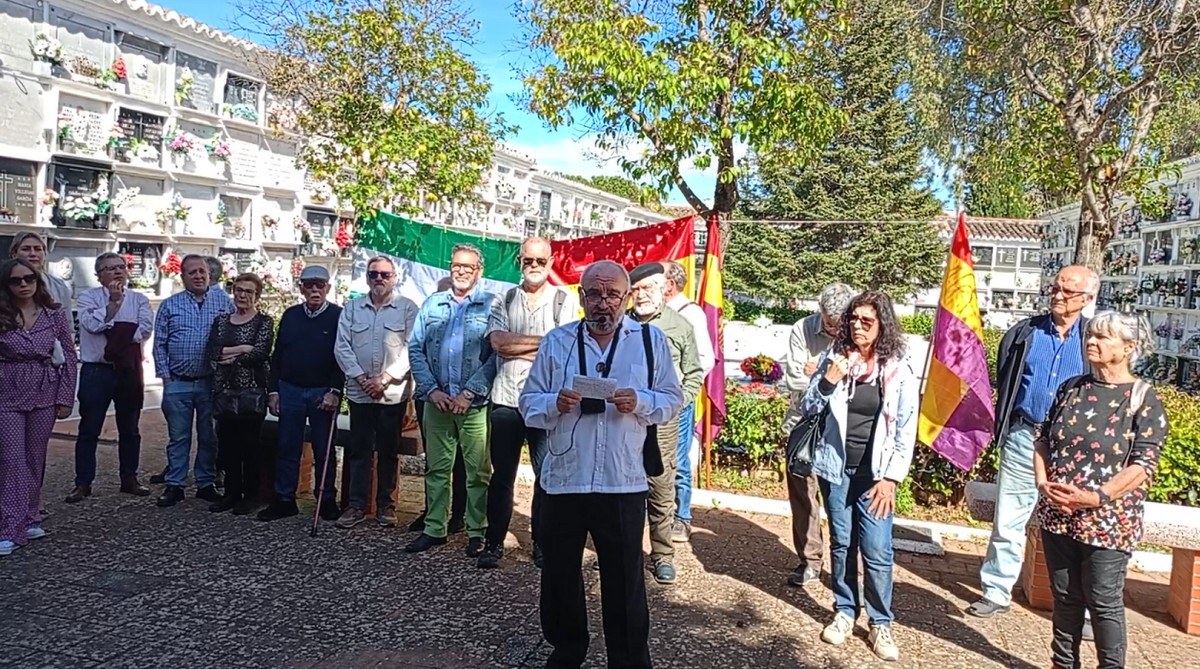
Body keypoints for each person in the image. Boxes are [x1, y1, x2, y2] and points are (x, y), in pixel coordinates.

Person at [520, 260, 684, 669]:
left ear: (626, 298)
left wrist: (641, 402)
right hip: (565, 479)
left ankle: (628, 659)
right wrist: (553, 403)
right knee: (559, 574)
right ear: (581, 297)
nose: (603, 303)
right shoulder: (557, 342)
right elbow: (528, 403)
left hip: (621, 481)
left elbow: (673, 399)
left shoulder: (650, 341)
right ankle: (566, 649)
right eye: (594, 293)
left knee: (625, 579)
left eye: (612, 294)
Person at [1034, 311, 1167, 669]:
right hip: (1059, 516)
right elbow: (1043, 441)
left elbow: (1142, 465)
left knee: (1103, 600)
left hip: (1108, 521)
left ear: (1128, 348)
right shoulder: (1072, 388)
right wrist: (1044, 483)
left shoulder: (1143, 399)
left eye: (1103, 337)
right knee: (1064, 597)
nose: (1091, 342)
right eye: (1090, 335)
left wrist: (1096, 498)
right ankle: (1062, 663)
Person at [968, 265, 1099, 620]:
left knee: (1076, 525)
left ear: (1087, 299)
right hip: (1024, 435)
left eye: (1067, 291)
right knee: (1008, 518)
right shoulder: (1024, 333)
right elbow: (1007, 381)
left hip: (1074, 448)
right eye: (1054, 288)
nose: (1057, 295)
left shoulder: (1095, 339)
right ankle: (996, 591)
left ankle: (1078, 607)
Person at [803, 290, 916, 662]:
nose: (858, 327)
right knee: (841, 542)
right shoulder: (834, 359)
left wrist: (891, 479)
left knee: (878, 550)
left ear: (883, 324)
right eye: (854, 320)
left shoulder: (898, 367)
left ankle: (880, 621)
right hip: (836, 469)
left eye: (867, 321)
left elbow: (905, 429)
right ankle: (844, 611)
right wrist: (827, 382)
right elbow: (808, 407)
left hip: (876, 475)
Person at [479, 237, 580, 569]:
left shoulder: (564, 299)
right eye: (528, 261)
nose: (534, 266)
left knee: (545, 477)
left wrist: (516, 344)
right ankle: (494, 543)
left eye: (540, 260)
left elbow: (565, 349)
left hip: (546, 403)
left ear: (551, 262)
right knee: (501, 476)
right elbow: (497, 343)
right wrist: (544, 344)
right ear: (519, 262)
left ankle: (542, 543)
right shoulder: (504, 298)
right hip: (507, 400)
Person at [407, 243, 497, 555]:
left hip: (473, 406)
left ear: (479, 271)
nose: (460, 271)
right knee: (436, 470)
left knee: (477, 472)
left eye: (467, 267)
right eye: (456, 265)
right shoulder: (432, 304)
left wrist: (470, 392)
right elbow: (415, 348)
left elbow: (496, 355)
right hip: (437, 402)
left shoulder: (490, 306)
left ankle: (477, 531)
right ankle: (435, 528)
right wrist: (431, 389)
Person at [627, 262, 702, 585]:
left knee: (660, 485)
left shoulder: (679, 325)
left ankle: (662, 555)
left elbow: (695, 373)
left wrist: (677, 403)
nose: (641, 295)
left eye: (648, 288)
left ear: (663, 289)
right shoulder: (620, 323)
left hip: (663, 421)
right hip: (626, 419)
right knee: (625, 487)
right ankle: (624, 552)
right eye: (636, 289)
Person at [333, 256, 418, 529]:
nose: (379, 279)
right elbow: (342, 347)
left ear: (394, 277)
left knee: (388, 451)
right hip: (360, 393)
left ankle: (386, 505)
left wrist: (384, 379)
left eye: (384, 274)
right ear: (367, 277)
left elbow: (412, 348)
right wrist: (361, 378)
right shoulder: (353, 308)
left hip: (391, 395)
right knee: (359, 450)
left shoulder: (406, 309)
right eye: (373, 274)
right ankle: (356, 505)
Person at [780, 282, 856, 587]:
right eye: (829, 323)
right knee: (804, 498)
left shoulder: (860, 331)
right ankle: (809, 560)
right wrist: (826, 376)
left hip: (842, 431)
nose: (835, 330)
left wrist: (819, 372)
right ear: (819, 312)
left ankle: (845, 567)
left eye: (841, 325)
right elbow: (794, 379)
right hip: (804, 425)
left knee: (841, 500)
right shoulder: (802, 329)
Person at [0, 259, 77, 557]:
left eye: (28, 278)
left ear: (37, 280)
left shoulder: (53, 313)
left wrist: (65, 396)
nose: (23, 284)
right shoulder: (3, 313)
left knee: (34, 458)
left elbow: (69, 355)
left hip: (45, 389)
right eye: (16, 280)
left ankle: (30, 515)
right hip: (7, 391)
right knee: (12, 460)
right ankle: (10, 527)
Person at [66, 252, 153, 503]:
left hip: (127, 369)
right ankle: (83, 482)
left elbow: (144, 330)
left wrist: (113, 328)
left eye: (121, 267)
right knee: (89, 428)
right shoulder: (87, 298)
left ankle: (129, 478)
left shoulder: (139, 299)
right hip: (97, 370)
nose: (117, 272)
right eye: (110, 268)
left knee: (130, 428)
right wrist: (113, 306)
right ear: (99, 274)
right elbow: (91, 325)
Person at [260, 265, 345, 522]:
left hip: (322, 391)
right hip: (291, 389)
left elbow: (343, 357)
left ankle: (326, 498)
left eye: (320, 284)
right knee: (287, 446)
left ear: (328, 288)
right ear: (301, 288)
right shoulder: (291, 315)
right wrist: (273, 390)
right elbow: (278, 355)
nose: (315, 289)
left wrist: (334, 391)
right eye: (309, 285)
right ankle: (285, 498)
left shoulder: (339, 316)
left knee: (324, 449)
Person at [152, 254, 234, 507]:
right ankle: (175, 484)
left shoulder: (224, 303)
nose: (198, 276)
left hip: (210, 382)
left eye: (202, 272)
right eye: (192, 272)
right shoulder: (170, 305)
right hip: (178, 381)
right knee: (179, 437)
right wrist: (166, 378)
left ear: (209, 275)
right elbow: (160, 344)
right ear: (183, 276)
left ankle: (205, 483)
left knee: (209, 436)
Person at [206, 273, 274, 515]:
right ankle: (231, 494)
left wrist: (233, 355)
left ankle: (251, 495)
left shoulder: (263, 322)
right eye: (239, 290)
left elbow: (259, 354)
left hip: (251, 392)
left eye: (248, 291)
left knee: (250, 446)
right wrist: (243, 348)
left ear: (257, 295)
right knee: (227, 446)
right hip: (224, 391)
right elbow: (213, 352)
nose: (242, 295)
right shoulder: (222, 321)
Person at [660, 260, 713, 543]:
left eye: (657, 280)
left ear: (669, 285)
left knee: (678, 459)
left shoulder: (690, 314)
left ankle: (681, 517)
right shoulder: (652, 313)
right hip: (653, 401)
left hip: (678, 400)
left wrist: (683, 394)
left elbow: (705, 359)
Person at [410, 277, 467, 535]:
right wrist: (431, 390)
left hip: (462, 400)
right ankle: (432, 513)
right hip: (429, 398)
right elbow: (416, 351)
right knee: (435, 462)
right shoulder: (430, 315)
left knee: (463, 464)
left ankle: (459, 514)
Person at [9, 232, 73, 334]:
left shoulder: (59, 286)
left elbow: (68, 325)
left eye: (38, 249)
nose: (33, 254)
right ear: (14, 254)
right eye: (26, 249)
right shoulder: (4, 282)